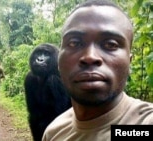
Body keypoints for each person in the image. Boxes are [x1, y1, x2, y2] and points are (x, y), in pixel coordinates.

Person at [42, 0, 153, 140]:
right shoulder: (54, 133)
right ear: (59, 61)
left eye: (110, 44)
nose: (90, 57)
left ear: (129, 62)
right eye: (74, 43)